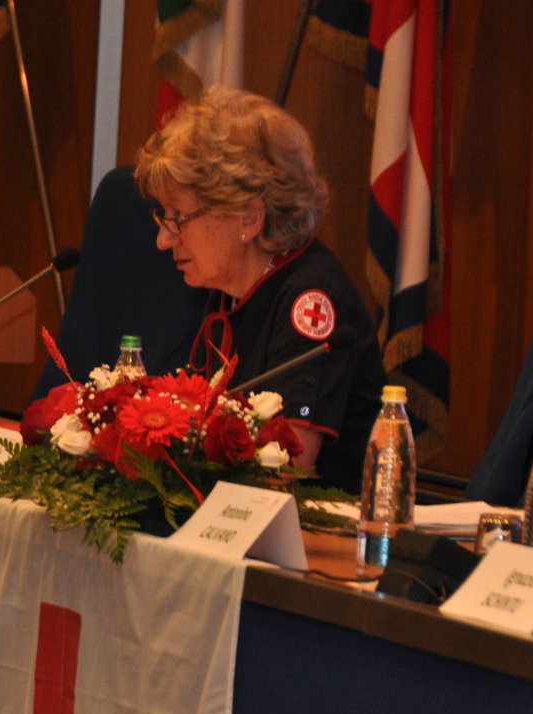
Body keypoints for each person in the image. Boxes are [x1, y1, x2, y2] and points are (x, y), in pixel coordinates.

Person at [135, 85, 387, 490]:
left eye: (178, 217)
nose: (164, 240)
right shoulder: (230, 285)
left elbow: (284, 466)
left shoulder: (311, 301)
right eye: (163, 217)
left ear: (248, 219)